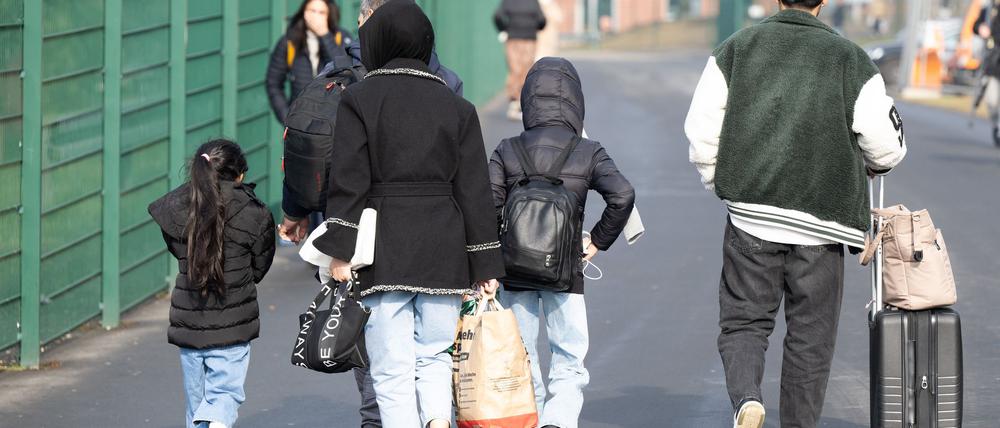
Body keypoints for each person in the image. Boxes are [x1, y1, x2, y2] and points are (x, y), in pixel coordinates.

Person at [684, 1, 907, 427]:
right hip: (821, 227)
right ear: (822, 3)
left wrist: (725, 184)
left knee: (744, 322)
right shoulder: (850, 59)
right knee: (811, 338)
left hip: (751, 217)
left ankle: (748, 399)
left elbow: (701, 130)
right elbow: (885, 146)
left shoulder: (736, 48)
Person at [275, 1, 468, 426]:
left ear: (366, 24)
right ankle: (427, 415)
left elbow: (310, 148)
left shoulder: (337, 77)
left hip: (353, 231)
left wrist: (297, 212)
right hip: (435, 233)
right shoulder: (444, 82)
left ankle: (377, 419)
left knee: (372, 338)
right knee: (430, 345)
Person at [312, 2, 505, 426]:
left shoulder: (359, 99)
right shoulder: (457, 106)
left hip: (386, 249)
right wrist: (485, 263)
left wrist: (340, 251)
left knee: (391, 365)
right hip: (445, 248)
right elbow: (473, 190)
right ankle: (437, 421)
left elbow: (349, 181)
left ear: (377, 39)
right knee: (435, 355)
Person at [489, 57, 635, 428]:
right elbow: (622, 195)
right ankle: (558, 419)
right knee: (569, 358)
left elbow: (486, 208)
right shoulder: (588, 151)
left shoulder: (507, 148)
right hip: (565, 270)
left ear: (527, 100)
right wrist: (596, 242)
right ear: (575, 101)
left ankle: (532, 418)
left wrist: (487, 265)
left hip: (513, 271)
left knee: (520, 355)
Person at [148, 139, 276, 428]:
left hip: (189, 324)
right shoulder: (254, 212)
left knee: (196, 405)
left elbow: (177, 247)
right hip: (233, 323)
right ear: (240, 175)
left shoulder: (179, 206)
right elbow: (260, 264)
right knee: (224, 395)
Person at [266, 0, 352, 124]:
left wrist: (324, 35)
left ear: (329, 15)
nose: (316, 16)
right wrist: (287, 118)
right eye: (312, 10)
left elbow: (344, 70)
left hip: (333, 122)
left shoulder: (341, 38)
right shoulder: (289, 42)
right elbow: (273, 83)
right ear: (304, 13)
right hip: (300, 122)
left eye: (321, 12)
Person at [494, 0, 546, 121]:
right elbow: (542, 20)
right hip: (529, 39)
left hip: (513, 38)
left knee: (514, 68)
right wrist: (534, 27)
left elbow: (497, 16)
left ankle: (514, 102)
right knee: (526, 69)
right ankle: (521, 103)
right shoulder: (533, 2)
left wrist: (503, 29)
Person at [973, 1, 1000, 147]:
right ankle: (996, 126)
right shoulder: (988, 9)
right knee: (991, 100)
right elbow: (975, 26)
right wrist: (980, 28)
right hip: (992, 63)